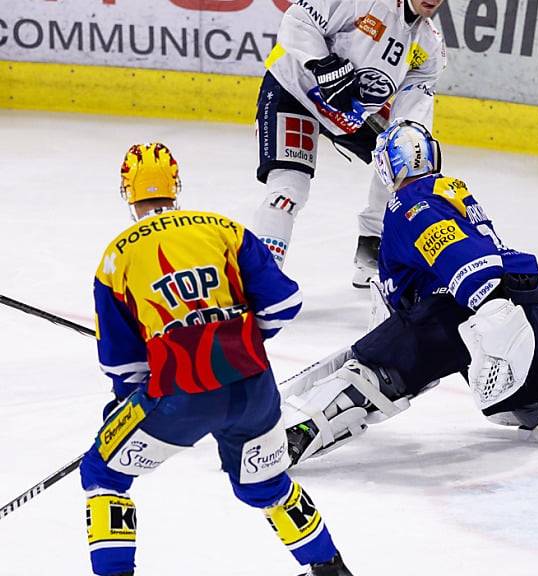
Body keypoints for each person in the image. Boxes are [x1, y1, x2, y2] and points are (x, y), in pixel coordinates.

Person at [278, 121, 538, 466]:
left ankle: (291, 438)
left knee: (370, 375)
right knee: (536, 407)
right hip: (521, 303)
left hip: (461, 316)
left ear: (389, 166)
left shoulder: (410, 204)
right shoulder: (453, 191)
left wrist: (493, 318)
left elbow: (460, 260)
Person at [81, 143, 352, 576]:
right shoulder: (223, 228)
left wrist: (124, 405)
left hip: (180, 397)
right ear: (177, 187)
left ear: (126, 192)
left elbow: (124, 365)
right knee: (266, 487)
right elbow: (285, 302)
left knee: (103, 473)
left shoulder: (118, 256)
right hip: (254, 388)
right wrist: (231, 341)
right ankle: (328, 569)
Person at [253, 0, 447, 288]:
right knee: (289, 190)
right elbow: (297, 19)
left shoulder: (428, 46)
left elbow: (411, 113)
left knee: (404, 157)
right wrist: (323, 63)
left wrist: (409, 144)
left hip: (350, 109)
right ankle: (262, 281)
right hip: (294, 91)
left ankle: (372, 250)